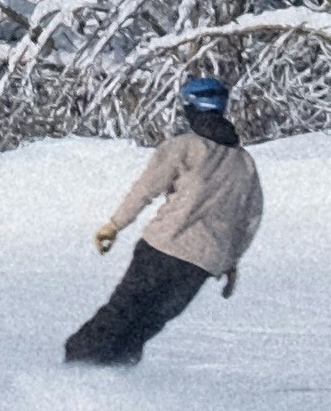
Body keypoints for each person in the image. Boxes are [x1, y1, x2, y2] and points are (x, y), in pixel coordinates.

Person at [67, 70, 258, 365]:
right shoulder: (244, 163)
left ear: (190, 108)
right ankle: (112, 387)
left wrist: (114, 225)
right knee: (142, 328)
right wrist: (230, 261)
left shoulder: (183, 147)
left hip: (162, 249)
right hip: (202, 263)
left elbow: (145, 189)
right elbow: (247, 220)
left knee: (118, 316)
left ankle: (73, 379)